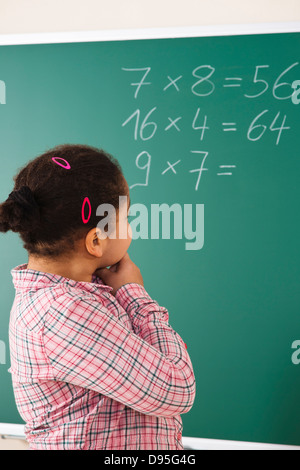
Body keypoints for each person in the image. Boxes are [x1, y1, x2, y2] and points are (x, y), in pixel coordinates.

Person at [0, 143, 196, 450]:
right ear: (96, 240)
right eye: (126, 218)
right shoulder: (65, 311)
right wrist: (135, 294)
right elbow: (176, 388)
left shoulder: (77, 295)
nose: (131, 229)